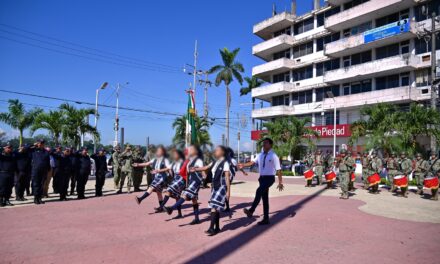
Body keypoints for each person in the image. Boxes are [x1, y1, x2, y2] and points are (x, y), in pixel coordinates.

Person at [238, 138, 284, 225]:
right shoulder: (260, 155)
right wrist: (243, 165)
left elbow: (279, 170)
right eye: (263, 143)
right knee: (265, 199)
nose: (263, 144)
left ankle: (251, 211)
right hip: (262, 179)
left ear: (270, 145)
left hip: (270, 178)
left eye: (266, 143)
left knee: (258, 191)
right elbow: (252, 162)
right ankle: (266, 219)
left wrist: (280, 182)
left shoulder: (274, 156)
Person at [194, 146, 231, 236]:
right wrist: (195, 169)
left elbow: (227, 178)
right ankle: (217, 228)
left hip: (221, 187)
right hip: (214, 186)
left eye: (217, 150)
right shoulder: (215, 161)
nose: (215, 151)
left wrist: (228, 191)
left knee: (213, 206)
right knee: (216, 208)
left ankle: (211, 228)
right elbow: (206, 167)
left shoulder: (225, 163)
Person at [165, 145, 205, 225]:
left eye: (191, 150)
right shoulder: (189, 161)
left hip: (196, 181)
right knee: (194, 199)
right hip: (191, 181)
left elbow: (203, 170)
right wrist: (186, 184)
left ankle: (172, 208)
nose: (188, 151)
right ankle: (197, 218)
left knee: (185, 196)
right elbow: (187, 174)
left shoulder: (199, 161)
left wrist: (203, 176)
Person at [134, 146, 171, 212]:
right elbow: (147, 163)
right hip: (156, 177)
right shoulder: (155, 159)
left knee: (151, 187)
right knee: (158, 192)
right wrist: (138, 164)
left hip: (161, 177)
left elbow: (168, 168)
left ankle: (140, 199)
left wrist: (158, 171)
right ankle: (161, 207)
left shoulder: (165, 159)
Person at [153, 149, 186, 218]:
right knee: (177, 197)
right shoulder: (174, 162)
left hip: (181, 179)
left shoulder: (183, 162)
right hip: (175, 178)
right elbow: (168, 168)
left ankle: (161, 207)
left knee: (168, 191)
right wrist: (159, 171)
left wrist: (187, 183)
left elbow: (187, 172)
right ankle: (179, 214)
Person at [31, 139, 50, 204]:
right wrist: (34, 145)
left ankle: (40, 198)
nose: (41, 144)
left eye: (42, 143)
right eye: (39, 143)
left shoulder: (46, 152)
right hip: (36, 170)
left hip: (44, 171)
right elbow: (26, 149)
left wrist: (48, 169)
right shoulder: (33, 150)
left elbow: (48, 161)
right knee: (36, 185)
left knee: (41, 185)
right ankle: (36, 198)